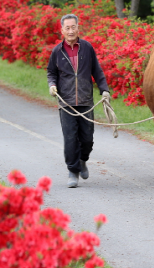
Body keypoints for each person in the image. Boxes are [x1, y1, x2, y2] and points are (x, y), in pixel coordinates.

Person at [47, 13, 110, 188]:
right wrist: (52, 85)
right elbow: (51, 72)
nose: (70, 31)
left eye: (73, 27)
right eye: (67, 28)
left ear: (78, 28)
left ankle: (83, 160)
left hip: (85, 101)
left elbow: (97, 70)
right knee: (70, 139)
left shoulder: (87, 48)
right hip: (66, 102)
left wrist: (104, 90)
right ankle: (73, 171)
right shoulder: (57, 51)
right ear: (62, 30)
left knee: (87, 139)